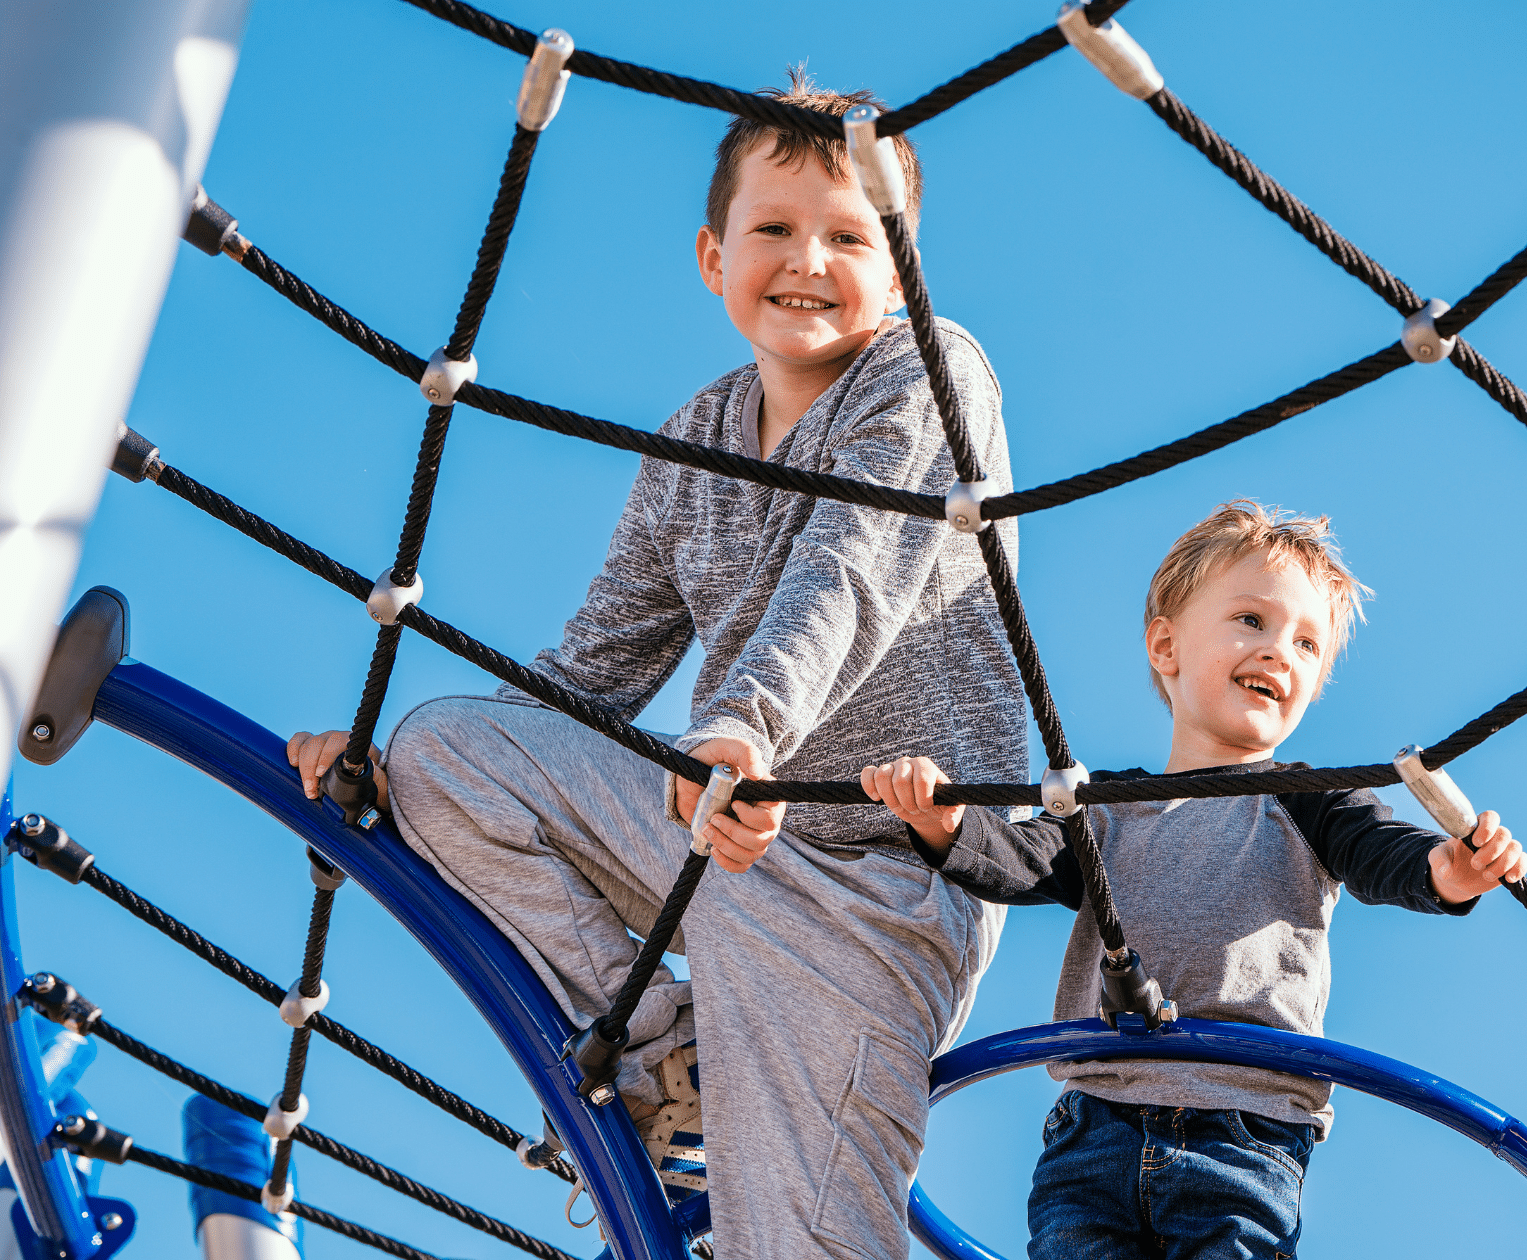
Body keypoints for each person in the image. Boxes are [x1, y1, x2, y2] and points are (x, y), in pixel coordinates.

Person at [287, 69, 1029, 1259]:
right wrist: (377, 761)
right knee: (445, 757)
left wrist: (742, 724)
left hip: (874, 890)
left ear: (897, 276)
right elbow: (594, 666)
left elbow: (854, 563)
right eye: (774, 229)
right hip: (723, 834)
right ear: (711, 255)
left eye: (850, 237)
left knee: (789, 1246)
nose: (807, 259)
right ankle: (668, 1060)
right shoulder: (692, 439)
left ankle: (741, 1093)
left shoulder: (931, 374)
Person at [861, 501, 1527, 1260]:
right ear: (1166, 646)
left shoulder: (1308, 798)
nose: (1280, 650)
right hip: (1095, 1125)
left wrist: (1451, 869)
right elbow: (1022, 859)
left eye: (1307, 643)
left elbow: (1386, 854)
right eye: (1252, 620)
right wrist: (941, 819)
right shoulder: (1105, 808)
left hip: (1242, 1129)